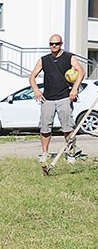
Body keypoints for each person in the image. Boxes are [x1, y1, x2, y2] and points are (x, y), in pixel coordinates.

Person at [29, 34, 85, 164]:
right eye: (51, 44)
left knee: (68, 127)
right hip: (47, 99)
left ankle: (71, 154)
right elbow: (32, 76)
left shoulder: (69, 57)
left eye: (57, 43)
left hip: (64, 97)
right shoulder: (44, 59)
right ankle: (45, 153)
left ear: (61, 44)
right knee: (45, 127)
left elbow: (81, 72)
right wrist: (36, 90)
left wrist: (74, 89)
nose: (54, 46)